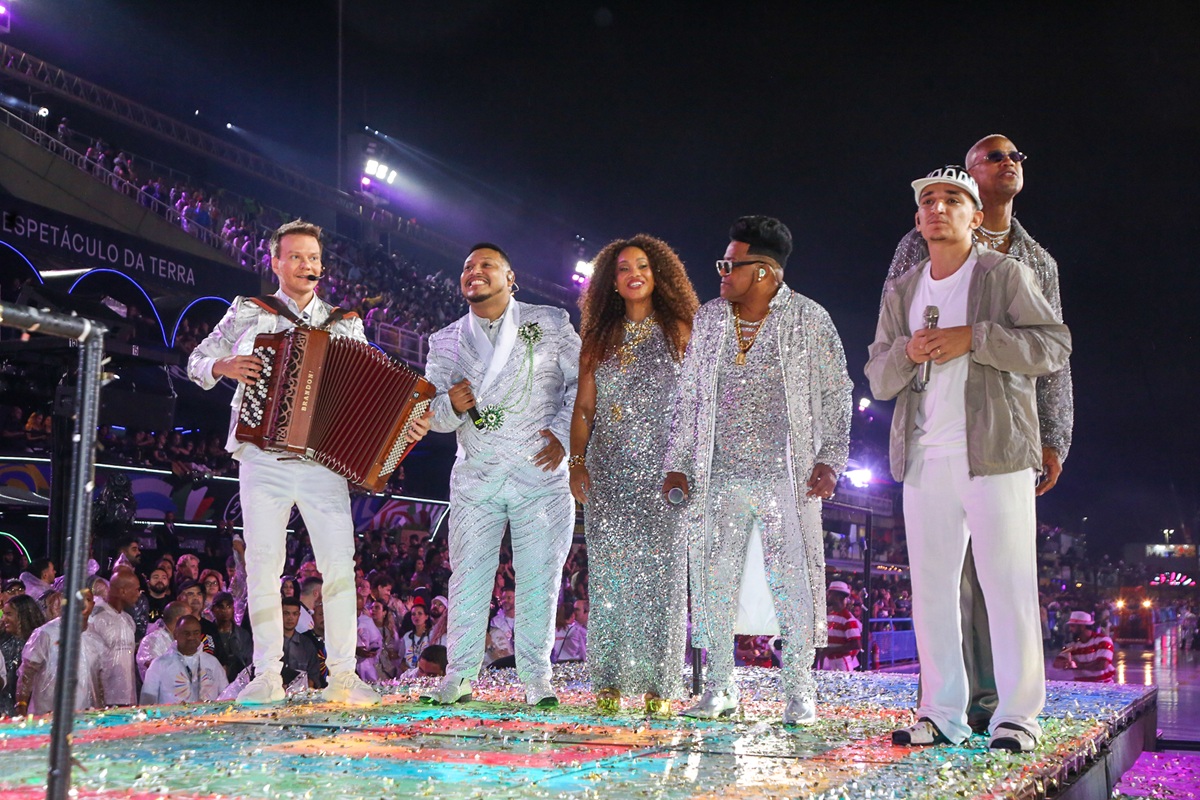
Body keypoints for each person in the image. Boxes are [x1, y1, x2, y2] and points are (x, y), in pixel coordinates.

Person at [866, 166, 1071, 752]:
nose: (937, 208)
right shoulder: (901, 290)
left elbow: (1052, 345)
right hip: (924, 455)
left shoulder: (1005, 274)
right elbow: (878, 376)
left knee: (1007, 584)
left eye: (952, 199)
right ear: (917, 219)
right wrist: (907, 352)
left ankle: (1018, 715)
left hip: (997, 453)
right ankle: (941, 712)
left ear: (975, 216)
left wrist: (975, 338)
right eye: (928, 200)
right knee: (931, 590)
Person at [187, 220, 430, 706]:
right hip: (263, 455)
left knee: (340, 566)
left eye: (314, 258)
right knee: (262, 566)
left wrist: (404, 425)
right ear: (275, 262)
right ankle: (267, 676)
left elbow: (369, 391)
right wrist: (222, 366)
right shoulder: (248, 311)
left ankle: (342, 675)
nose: (307, 265)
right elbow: (196, 360)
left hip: (323, 464)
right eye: (296, 256)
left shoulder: (346, 323)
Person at [663, 216, 853, 725]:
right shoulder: (708, 319)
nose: (721, 273)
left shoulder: (810, 319)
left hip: (783, 479)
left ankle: (799, 690)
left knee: (791, 583)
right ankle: (722, 687)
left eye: (731, 264)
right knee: (714, 580)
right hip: (716, 474)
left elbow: (838, 393)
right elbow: (688, 398)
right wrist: (678, 462)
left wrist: (831, 459)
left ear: (765, 272)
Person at [421, 243, 580, 707]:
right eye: (468, 266)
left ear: (512, 279)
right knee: (467, 577)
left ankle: (536, 678)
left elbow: (581, 383)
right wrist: (451, 404)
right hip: (477, 477)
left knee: (540, 579)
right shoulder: (445, 341)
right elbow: (432, 415)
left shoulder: (549, 323)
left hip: (541, 474)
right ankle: (459, 674)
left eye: (487, 265)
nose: (475, 271)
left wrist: (565, 436)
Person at [568, 234, 698, 714]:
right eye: (623, 268)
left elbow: (697, 406)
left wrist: (683, 464)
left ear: (659, 274)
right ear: (612, 282)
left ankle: (661, 687)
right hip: (608, 470)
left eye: (642, 265)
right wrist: (576, 462)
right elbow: (584, 408)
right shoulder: (598, 339)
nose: (633, 273)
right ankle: (607, 682)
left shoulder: (681, 331)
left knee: (663, 579)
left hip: (665, 475)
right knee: (610, 581)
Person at [16, 588, 105, 715]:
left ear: (93, 605)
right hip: (46, 714)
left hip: (84, 716)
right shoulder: (46, 633)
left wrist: (100, 709)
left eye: (88, 600)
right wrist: (21, 705)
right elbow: (27, 672)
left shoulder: (96, 639)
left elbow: (98, 681)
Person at [140, 615, 229, 704]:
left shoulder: (212, 663)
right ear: (175, 634)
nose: (191, 637)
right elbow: (147, 703)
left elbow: (226, 697)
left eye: (196, 633)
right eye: (186, 633)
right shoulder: (159, 665)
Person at [88, 568, 140, 705]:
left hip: (127, 699)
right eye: (136, 589)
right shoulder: (97, 618)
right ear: (123, 591)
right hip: (105, 699)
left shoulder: (128, 620)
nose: (138, 594)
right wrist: (98, 698)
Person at [1, 594, 46, 715]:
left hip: (34, 710)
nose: (3, 619)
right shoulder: (3, 643)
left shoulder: (40, 642)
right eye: (3, 614)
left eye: (9, 614)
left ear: (24, 616)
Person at [1053, 611, 1115, 683]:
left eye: (1073, 626)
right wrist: (1065, 663)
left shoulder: (1103, 640)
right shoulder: (1072, 645)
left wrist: (1077, 665)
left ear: (1082, 627)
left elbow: (1102, 665)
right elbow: (1056, 663)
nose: (1070, 629)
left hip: (1103, 685)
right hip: (1080, 686)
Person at [137, 600, 191, 680]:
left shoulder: (184, 640)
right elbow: (151, 666)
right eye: (189, 617)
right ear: (179, 619)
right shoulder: (152, 640)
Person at [817, 581, 862, 671]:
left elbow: (856, 644)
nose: (827, 596)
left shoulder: (847, 618)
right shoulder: (830, 616)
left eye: (830, 594)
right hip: (831, 661)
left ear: (838, 597)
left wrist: (831, 650)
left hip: (842, 662)